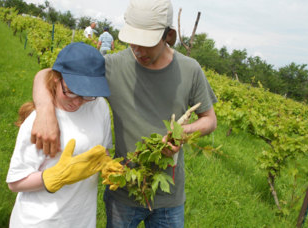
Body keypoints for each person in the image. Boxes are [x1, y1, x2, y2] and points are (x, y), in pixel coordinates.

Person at [31, 0, 218, 227]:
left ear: (168, 36)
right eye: (133, 42)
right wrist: (44, 111)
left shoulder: (190, 70)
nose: (138, 51)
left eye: (146, 43)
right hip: (123, 192)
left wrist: (182, 132)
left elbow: (209, 120)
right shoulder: (112, 66)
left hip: (170, 198)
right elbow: (47, 74)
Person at [6, 42, 116, 228]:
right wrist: (55, 176)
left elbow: (102, 150)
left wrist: (106, 164)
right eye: (71, 92)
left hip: (81, 220)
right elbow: (15, 182)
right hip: (41, 222)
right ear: (56, 79)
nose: (78, 102)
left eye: (87, 94)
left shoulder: (99, 107)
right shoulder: (39, 121)